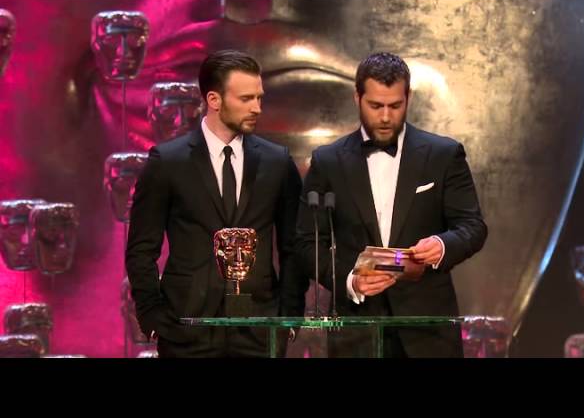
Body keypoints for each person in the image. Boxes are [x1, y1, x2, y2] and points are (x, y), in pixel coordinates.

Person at [296, 52, 488, 357]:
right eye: (375, 106)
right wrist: (350, 280)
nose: (385, 117)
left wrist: (442, 244)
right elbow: (307, 242)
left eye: (395, 106)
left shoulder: (444, 155)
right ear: (357, 97)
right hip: (356, 333)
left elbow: (473, 227)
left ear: (408, 98)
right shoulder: (328, 161)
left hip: (429, 330)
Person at [126, 49, 308, 357]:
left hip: (258, 329)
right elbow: (141, 248)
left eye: (259, 98)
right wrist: (152, 315)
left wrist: (290, 314)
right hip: (187, 329)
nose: (257, 108)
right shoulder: (168, 162)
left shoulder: (277, 162)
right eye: (246, 99)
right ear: (214, 100)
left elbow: (294, 245)